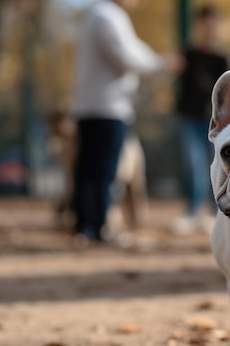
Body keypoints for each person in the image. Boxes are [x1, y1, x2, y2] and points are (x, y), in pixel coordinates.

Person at [72, 0, 180, 243]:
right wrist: (161, 64)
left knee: (89, 169)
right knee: (104, 169)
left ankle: (86, 225)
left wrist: (156, 59)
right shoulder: (108, 16)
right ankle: (98, 226)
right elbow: (126, 55)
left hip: (92, 106)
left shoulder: (98, 15)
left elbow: (132, 49)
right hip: (108, 106)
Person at [170, 5, 230, 235]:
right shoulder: (187, 55)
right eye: (205, 23)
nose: (209, 28)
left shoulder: (222, 58)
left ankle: (219, 213)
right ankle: (193, 211)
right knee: (195, 165)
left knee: (217, 167)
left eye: (212, 23)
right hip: (191, 119)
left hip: (215, 122)